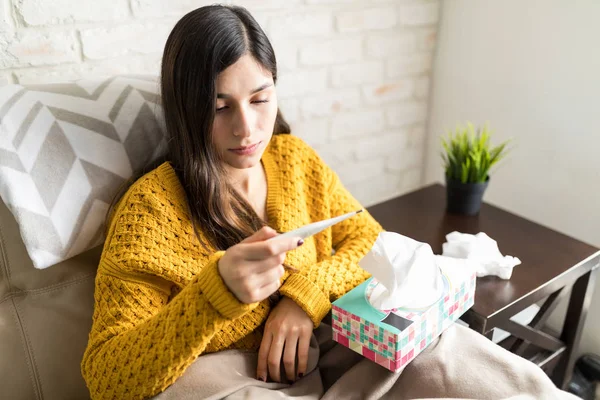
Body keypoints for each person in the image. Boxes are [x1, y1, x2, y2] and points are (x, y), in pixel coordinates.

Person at [81, 5, 577, 400]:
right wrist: (212, 295)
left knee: (463, 358)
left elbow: (366, 237)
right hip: (230, 378)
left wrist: (304, 298)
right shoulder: (150, 211)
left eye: (260, 99)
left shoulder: (293, 160)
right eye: (218, 107)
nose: (247, 129)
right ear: (185, 109)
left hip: (334, 344)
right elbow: (107, 377)